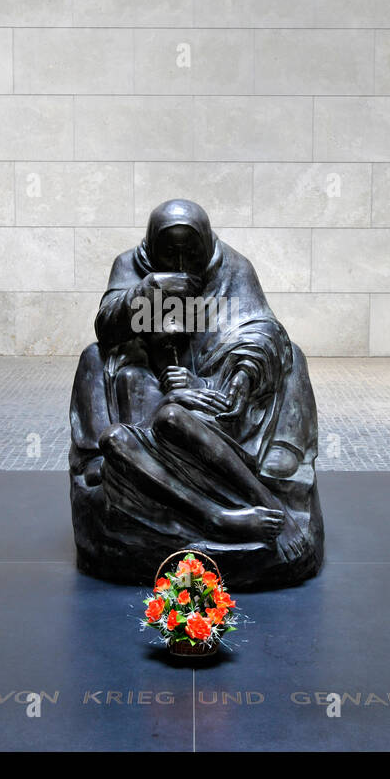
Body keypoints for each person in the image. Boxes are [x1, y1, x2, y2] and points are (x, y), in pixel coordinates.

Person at [68, 199, 323, 589]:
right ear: (152, 246)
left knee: (291, 356)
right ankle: (106, 463)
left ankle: (270, 465)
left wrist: (228, 381)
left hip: (213, 381)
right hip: (150, 386)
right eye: (170, 251)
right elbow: (108, 327)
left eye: (191, 250)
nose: (182, 260)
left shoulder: (232, 267)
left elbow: (258, 330)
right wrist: (146, 291)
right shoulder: (132, 265)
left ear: (207, 243)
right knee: (96, 360)